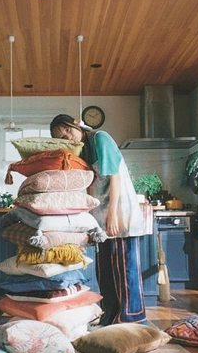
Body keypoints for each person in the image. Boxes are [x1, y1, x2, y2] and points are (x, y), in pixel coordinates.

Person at [50, 114, 146, 325]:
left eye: (68, 130)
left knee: (124, 266)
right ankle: (109, 314)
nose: (68, 137)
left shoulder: (100, 138)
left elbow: (114, 177)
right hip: (100, 214)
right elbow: (90, 186)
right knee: (105, 269)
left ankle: (131, 317)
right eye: (62, 137)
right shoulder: (80, 151)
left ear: (76, 124)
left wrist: (112, 214)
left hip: (119, 209)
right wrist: (89, 217)